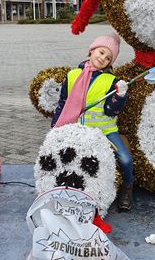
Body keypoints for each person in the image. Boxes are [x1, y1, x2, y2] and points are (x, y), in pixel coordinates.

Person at [51, 33, 134, 211]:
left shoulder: (111, 81)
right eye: (101, 52)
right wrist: (55, 128)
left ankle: (128, 187)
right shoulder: (72, 75)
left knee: (126, 159)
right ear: (92, 50)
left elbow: (111, 111)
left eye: (108, 57)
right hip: (77, 129)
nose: (102, 58)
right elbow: (63, 103)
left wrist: (120, 95)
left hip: (105, 131)